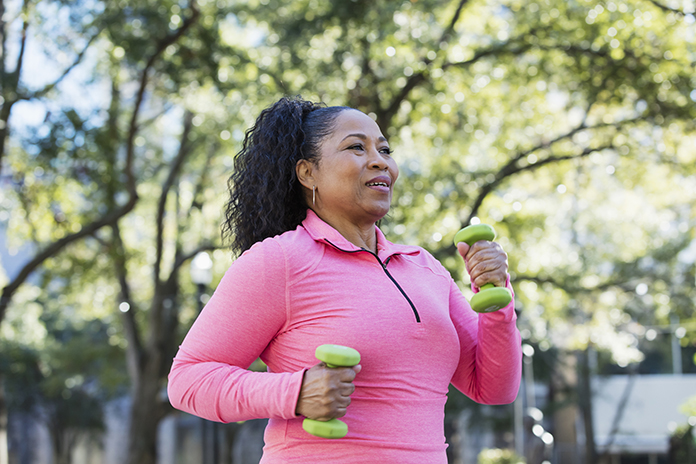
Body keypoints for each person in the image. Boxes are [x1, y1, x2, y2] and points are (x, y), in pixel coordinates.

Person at [167, 96, 522, 463]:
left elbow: (494, 388)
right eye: (356, 147)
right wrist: (296, 392)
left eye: (385, 149)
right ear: (308, 173)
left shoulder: (425, 269)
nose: (379, 160)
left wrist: (497, 297)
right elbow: (188, 380)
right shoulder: (281, 260)